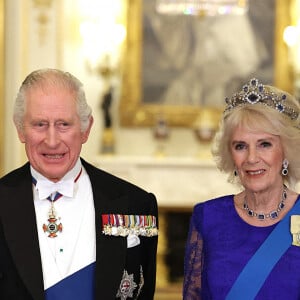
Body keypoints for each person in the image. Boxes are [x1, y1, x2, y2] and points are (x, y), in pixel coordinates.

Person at [0, 68, 158, 300]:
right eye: (40, 124)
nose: (52, 141)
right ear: (20, 129)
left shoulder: (135, 204)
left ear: (86, 129)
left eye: (64, 124)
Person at [183, 78, 300, 299]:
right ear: (231, 155)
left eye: (265, 144)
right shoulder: (208, 217)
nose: (252, 158)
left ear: (286, 151)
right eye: (240, 146)